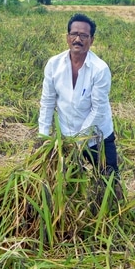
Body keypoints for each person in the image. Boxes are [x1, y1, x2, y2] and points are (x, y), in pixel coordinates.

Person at [38, 13, 120, 192]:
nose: (78, 39)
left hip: (97, 136)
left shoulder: (100, 69)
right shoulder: (54, 65)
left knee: (110, 181)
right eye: (74, 34)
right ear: (67, 37)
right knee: (66, 182)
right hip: (66, 135)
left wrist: (78, 142)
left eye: (83, 35)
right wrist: (43, 137)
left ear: (91, 40)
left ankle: (112, 213)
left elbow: (98, 110)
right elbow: (47, 102)